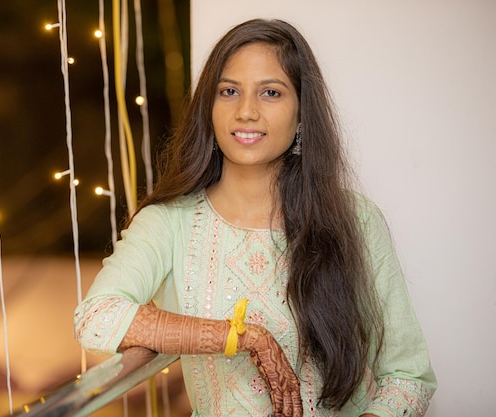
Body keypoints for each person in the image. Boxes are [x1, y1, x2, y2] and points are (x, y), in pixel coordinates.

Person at [74, 18, 436, 417]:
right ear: (209, 109)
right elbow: (96, 318)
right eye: (229, 91)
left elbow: (406, 377)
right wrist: (241, 337)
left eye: (270, 93)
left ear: (302, 113)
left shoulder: (355, 221)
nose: (246, 111)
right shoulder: (169, 223)